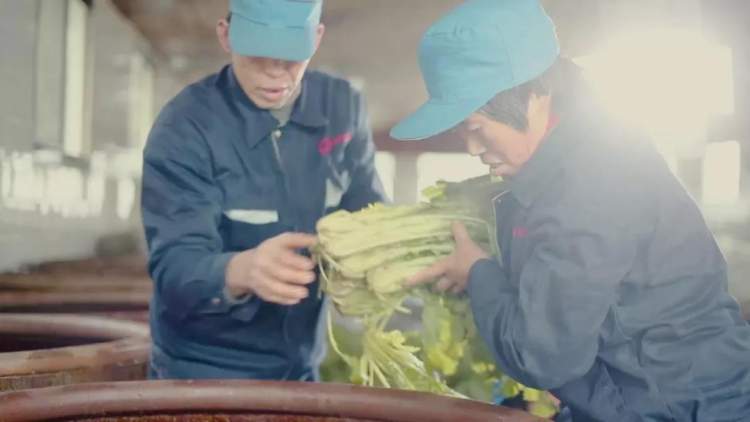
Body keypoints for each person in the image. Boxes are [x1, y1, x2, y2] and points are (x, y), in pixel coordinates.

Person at [392, 0, 750, 420]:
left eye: (476, 128)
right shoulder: (577, 155)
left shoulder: (590, 182)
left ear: (534, 96)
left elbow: (543, 355)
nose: (472, 148)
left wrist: (478, 273)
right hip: (654, 397)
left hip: (679, 409)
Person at [141, 0, 385, 381]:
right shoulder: (185, 126)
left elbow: (369, 209)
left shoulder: (342, 106)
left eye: (290, 56)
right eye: (257, 54)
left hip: (301, 365)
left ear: (316, 38)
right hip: (201, 370)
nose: (274, 71)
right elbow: (174, 267)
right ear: (226, 36)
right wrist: (241, 270)